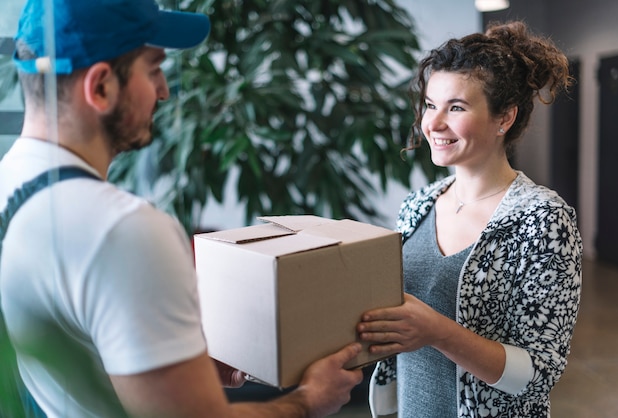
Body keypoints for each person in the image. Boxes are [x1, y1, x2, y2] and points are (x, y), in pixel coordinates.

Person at [0, 0, 363, 416]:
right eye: (153, 69)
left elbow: (76, 354)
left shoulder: (12, 185)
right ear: (101, 87)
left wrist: (170, 363)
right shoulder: (121, 228)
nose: (164, 90)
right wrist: (308, 400)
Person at [357, 21, 583, 417]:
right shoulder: (417, 205)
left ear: (504, 118)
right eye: (430, 105)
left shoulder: (544, 220)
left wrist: (437, 331)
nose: (434, 124)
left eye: (456, 107)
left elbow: (539, 375)